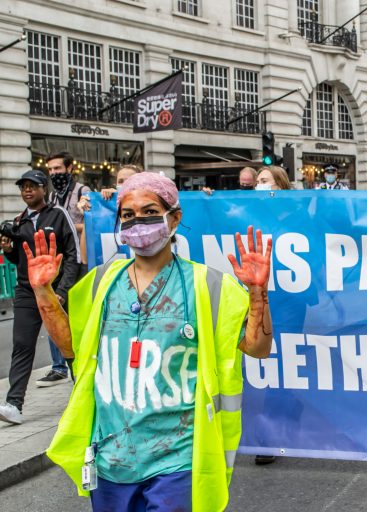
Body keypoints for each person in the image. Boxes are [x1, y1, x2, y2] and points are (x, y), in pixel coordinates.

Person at [26, 172, 273, 511]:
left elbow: (259, 348)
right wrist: (43, 291)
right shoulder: (100, 283)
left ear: (175, 218)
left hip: (177, 461)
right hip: (111, 459)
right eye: (128, 215)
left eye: (149, 212)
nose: (138, 222)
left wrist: (259, 294)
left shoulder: (209, 286)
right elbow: (71, 348)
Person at [0, 170, 80, 423]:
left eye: (32, 186)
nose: (27, 191)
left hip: (55, 292)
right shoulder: (19, 222)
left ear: (43, 189)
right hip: (27, 291)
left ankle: (83, 395)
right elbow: (18, 260)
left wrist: (62, 293)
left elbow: (72, 255)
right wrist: (9, 249)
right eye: (23, 187)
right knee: (22, 345)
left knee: (70, 346)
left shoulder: (58, 215)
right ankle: (14, 404)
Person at [43, 151, 91, 383]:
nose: (54, 174)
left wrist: (68, 227)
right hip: (58, 262)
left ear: (70, 169)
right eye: (51, 170)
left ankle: (78, 360)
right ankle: (58, 365)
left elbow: (93, 221)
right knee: (55, 310)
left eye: (58, 169)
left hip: (80, 260)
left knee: (76, 312)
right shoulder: (51, 198)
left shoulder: (83, 192)